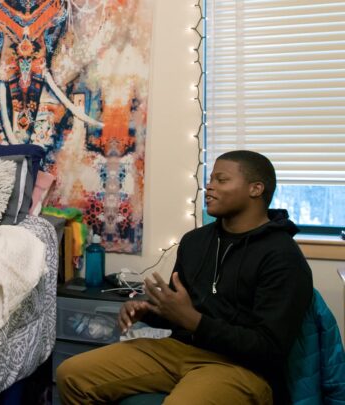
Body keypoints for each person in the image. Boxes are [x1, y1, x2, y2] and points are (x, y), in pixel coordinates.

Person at [56, 150, 313, 404]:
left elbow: (269, 349)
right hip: (177, 349)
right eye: (210, 180)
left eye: (221, 180)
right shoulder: (195, 242)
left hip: (240, 366)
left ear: (256, 189)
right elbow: (177, 313)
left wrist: (195, 321)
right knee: (72, 374)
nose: (209, 187)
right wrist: (148, 312)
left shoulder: (282, 257)